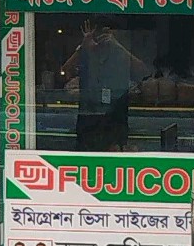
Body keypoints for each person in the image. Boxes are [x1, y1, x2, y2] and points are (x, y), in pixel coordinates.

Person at [62, 18, 152, 151]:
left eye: (106, 33)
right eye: (98, 33)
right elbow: (64, 72)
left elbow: (143, 73)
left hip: (115, 120)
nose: (102, 38)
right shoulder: (86, 52)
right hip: (89, 121)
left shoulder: (120, 53)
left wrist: (118, 46)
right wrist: (83, 46)